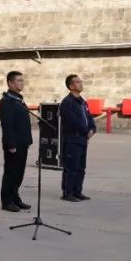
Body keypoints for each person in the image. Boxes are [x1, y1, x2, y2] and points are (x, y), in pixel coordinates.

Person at [0, 71, 33, 212]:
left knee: (19, 172)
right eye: (18, 81)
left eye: (22, 80)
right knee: (11, 172)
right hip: (13, 144)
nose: (22, 83)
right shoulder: (7, 101)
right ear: (10, 83)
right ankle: (7, 201)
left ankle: (15, 197)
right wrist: (11, 144)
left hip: (22, 142)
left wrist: (28, 140)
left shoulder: (18, 99)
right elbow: (7, 125)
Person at [60, 74, 95, 202]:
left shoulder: (82, 101)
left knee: (81, 168)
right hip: (72, 140)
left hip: (82, 140)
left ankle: (77, 191)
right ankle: (67, 193)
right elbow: (72, 121)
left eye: (81, 81)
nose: (80, 84)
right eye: (77, 82)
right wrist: (86, 131)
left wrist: (92, 129)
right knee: (71, 168)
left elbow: (89, 117)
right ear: (70, 86)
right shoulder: (67, 102)